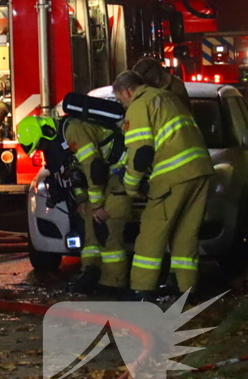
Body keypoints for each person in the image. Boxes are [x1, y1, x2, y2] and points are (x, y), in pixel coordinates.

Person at [112, 70, 213, 301]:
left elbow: (141, 151)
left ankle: (141, 290)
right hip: (200, 171)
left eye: (120, 99)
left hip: (172, 176)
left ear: (127, 91)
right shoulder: (168, 98)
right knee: (186, 235)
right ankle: (185, 289)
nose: (123, 105)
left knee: (151, 234)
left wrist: (130, 186)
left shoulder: (140, 105)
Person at [17, 112, 131, 295]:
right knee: (88, 223)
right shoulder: (57, 144)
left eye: (41, 144)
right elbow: (73, 175)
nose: (42, 148)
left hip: (118, 170)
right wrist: (82, 201)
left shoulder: (74, 131)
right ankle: (91, 271)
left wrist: (96, 205)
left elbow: (94, 167)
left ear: (46, 131)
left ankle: (113, 284)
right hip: (102, 176)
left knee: (107, 223)